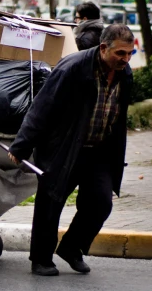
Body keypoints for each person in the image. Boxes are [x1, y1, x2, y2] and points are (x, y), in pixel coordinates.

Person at [8, 24, 134, 276]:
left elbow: (119, 116)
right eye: (120, 53)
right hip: (63, 148)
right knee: (50, 202)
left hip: (98, 151)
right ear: (103, 48)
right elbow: (42, 107)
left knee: (100, 203)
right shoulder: (73, 68)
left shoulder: (124, 74)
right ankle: (41, 259)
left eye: (130, 53)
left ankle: (71, 248)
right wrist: (22, 144)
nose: (126, 59)